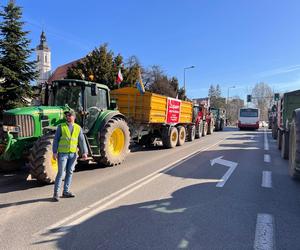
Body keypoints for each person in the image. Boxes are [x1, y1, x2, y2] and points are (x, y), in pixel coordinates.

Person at [52, 109, 88, 202]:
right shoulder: (61, 127)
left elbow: (81, 140)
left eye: (69, 115)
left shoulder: (78, 128)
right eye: (66, 116)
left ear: (74, 117)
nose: (67, 117)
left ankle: (66, 192)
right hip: (63, 154)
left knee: (70, 172)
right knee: (60, 173)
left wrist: (84, 152)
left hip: (73, 154)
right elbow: (56, 140)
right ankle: (56, 194)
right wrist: (54, 152)